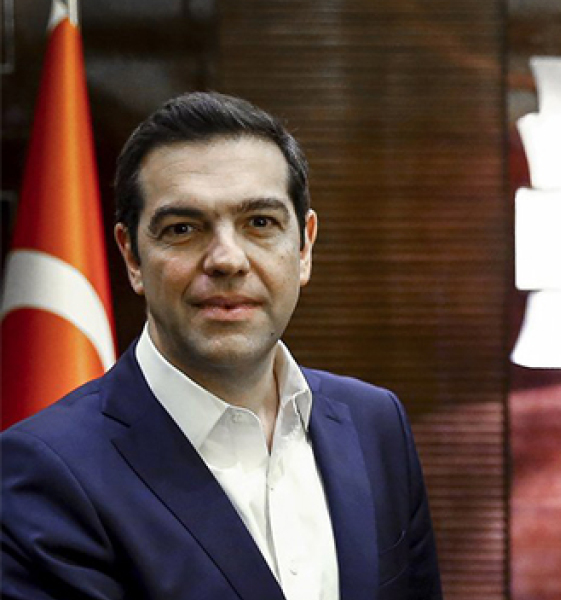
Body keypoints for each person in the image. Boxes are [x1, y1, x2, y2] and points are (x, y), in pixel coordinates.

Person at [1, 92, 442, 600]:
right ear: (132, 257)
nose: (227, 259)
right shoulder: (45, 471)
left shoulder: (376, 424)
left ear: (304, 247)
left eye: (260, 223)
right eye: (183, 229)